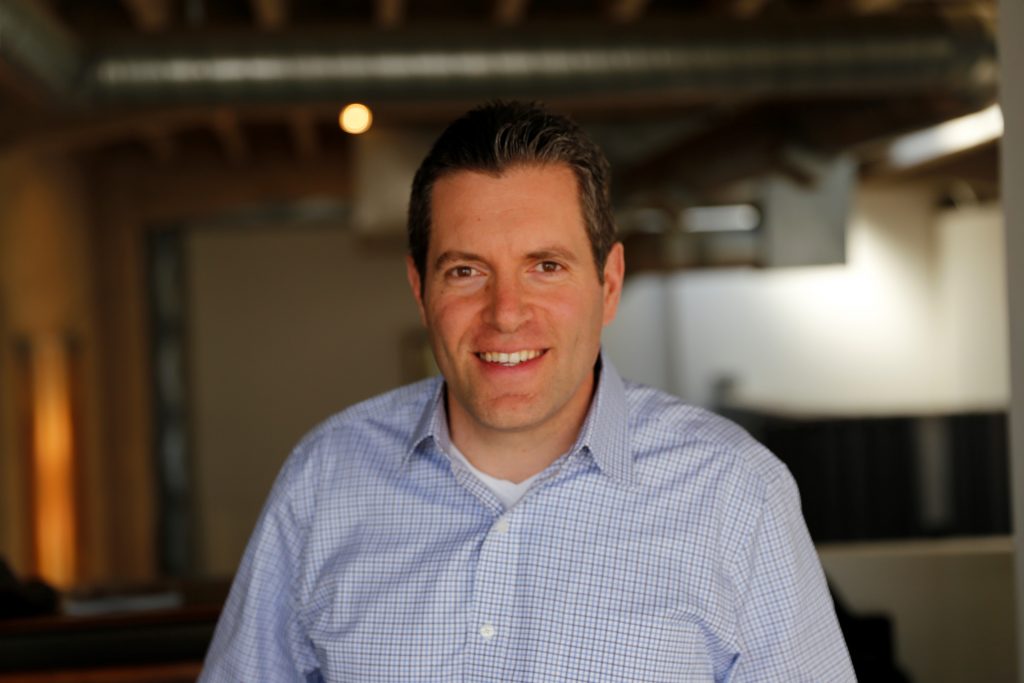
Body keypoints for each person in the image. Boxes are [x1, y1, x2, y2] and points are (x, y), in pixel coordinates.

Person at [199, 101, 854, 682]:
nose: (506, 312)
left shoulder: (737, 492)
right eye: (465, 270)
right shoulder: (323, 481)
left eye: (545, 267)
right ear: (419, 289)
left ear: (610, 282)